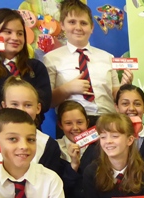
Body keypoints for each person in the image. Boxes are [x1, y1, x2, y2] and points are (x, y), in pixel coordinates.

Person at [43, 0, 132, 130]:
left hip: (106, 121)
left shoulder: (107, 57)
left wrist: (125, 86)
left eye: (83, 23)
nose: (78, 28)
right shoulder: (51, 59)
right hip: (72, 124)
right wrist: (67, 88)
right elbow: (47, 102)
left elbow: (115, 95)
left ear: (92, 27)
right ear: (62, 25)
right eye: (72, 22)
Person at [0, 8, 52, 127]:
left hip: (31, 131)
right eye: (8, 32)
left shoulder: (35, 67)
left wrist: (2, 111)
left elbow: (44, 103)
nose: (15, 38)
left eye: (20, 33)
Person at [56, 100, 99, 198]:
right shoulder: (54, 148)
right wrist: (73, 165)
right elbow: (58, 189)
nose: (75, 128)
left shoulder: (100, 148)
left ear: (87, 123)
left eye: (79, 122)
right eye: (68, 123)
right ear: (60, 125)